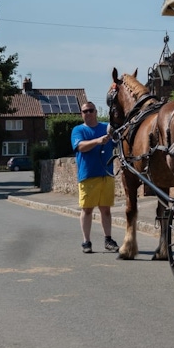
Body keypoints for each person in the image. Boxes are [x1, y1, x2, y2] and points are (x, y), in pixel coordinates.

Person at [71, 102, 119, 254]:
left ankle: (108, 239)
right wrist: (98, 141)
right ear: (82, 114)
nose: (88, 113)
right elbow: (80, 147)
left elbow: (118, 140)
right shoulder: (78, 130)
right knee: (87, 209)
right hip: (88, 175)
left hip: (106, 174)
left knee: (106, 209)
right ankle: (86, 241)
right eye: (85, 111)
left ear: (96, 112)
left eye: (91, 110)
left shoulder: (106, 127)